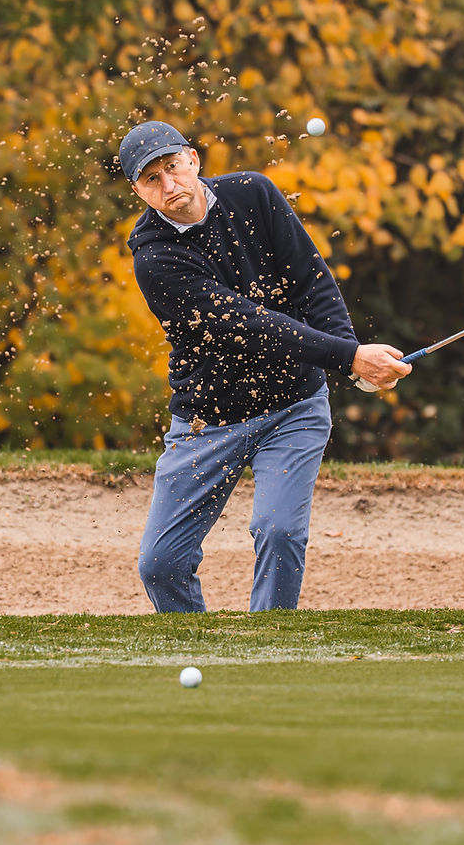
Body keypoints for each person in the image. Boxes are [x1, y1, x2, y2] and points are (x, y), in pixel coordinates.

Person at [118, 119, 411, 613]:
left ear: (192, 158)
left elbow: (311, 283)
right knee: (160, 563)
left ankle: (267, 653)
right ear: (138, 191)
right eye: (152, 180)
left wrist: (350, 355)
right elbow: (246, 325)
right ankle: (201, 653)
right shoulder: (154, 258)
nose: (169, 185)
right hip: (208, 421)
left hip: (294, 404)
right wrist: (348, 356)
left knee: (279, 531)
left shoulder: (254, 194)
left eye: (172, 167)